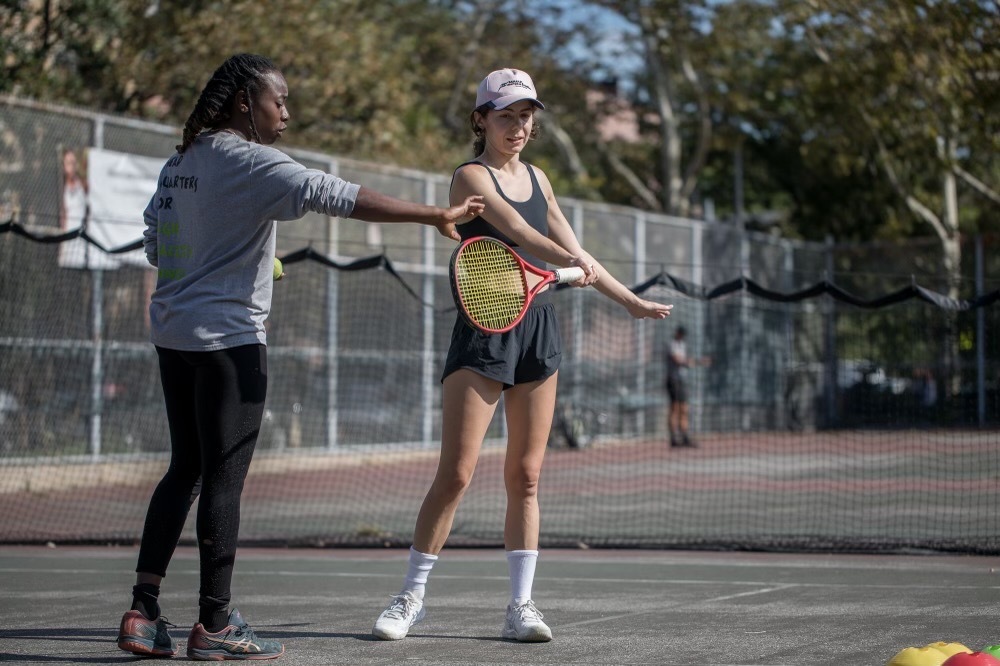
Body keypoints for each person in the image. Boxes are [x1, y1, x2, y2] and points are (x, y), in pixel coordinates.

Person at [116, 53, 485, 661]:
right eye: (278, 101)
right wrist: (433, 213)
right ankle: (213, 625)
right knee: (223, 482)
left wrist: (245, 261)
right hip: (230, 345)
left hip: (174, 337)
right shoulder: (254, 161)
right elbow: (334, 194)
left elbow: (160, 247)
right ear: (244, 103)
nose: (285, 112)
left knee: (185, 468)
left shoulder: (179, 162)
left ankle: (143, 609)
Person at [371, 68, 672, 644]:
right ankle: (410, 597)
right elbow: (520, 233)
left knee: (527, 476)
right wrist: (573, 264)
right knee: (457, 474)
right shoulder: (469, 176)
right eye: (506, 115)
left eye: (526, 116)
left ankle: (520, 608)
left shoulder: (539, 177)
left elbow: (574, 247)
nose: (518, 126)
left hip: (536, 327)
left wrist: (629, 301)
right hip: (484, 329)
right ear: (480, 119)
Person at [665, 326, 709, 447]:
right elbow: (678, 360)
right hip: (673, 380)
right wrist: (695, 362)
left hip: (682, 380)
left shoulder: (682, 345)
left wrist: (697, 361)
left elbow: (685, 360)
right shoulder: (672, 344)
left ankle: (684, 436)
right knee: (674, 408)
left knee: (684, 408)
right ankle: (673, 437)